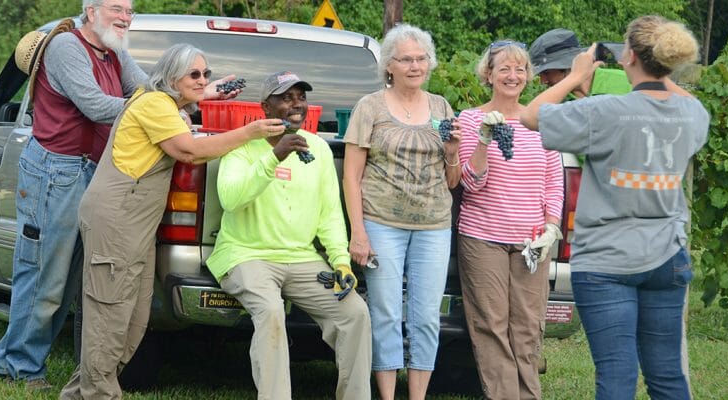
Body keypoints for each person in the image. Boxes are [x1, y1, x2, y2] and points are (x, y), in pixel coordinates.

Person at [0, 0, 241, 391]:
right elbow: (98, 104)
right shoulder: (67, 47)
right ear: (91, 12)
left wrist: (195, 94)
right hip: (57, 171)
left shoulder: (114, 51)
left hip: (97, 171)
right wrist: (165, 112)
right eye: (117, 9)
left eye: (129, 11)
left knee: (88, 281)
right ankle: (17, 365)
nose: (125, 17)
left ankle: (78, 373)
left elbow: (150, 89)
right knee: (47, 277)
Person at [57, 43, 283, 400]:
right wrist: (249, 132)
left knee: (134, 319)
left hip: (138, 226)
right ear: (172, 78)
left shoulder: (168, 104)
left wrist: (205, 92)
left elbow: (182, 107)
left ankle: (79, 393)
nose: (203, 80)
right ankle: (98, 394)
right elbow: (188, 151)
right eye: (194, 74)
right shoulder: (154, 104)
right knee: (110, 314)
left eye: (206, 73)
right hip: (117, 219)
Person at [521, 15, 709, 400]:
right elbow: (690, 102)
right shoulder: (691, 114)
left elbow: (530, 116)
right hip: (666, 256)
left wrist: (576, 76)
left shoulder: (605, 110)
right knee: (667, 375)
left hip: (607, 260)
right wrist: (662, 72)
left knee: (616, 373)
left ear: (630, 57)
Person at [206, 71, 372, 400]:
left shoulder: (318, 149)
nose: (296, 104)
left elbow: (329, 214)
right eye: (286, 98)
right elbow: (231, 199)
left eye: (301, 97)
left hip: (301, 258)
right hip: (246, 254)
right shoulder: (242, 145)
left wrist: (341, 262)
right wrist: (274, 157)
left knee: (355, 313)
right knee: (271, 311)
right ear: (265, 107)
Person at [342, 24, 461, 400]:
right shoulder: (370, 107)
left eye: (421, 58)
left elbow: (453, 180)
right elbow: (351, 176)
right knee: (387, 313)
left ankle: (418, 396)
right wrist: (358, 232)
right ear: (389, 66)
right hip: (382, 224)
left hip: (434, 226)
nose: (415, 66)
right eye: (406, 59)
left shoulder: (441, 107)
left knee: (426, 316)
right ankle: (388, 394)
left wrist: (454, 152)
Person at [455, 40, 563, 399]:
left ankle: (529, 395)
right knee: (492, 325)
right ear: (488, 75)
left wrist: (551, 227)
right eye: (504, 68)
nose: (512, 76)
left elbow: (554, 181)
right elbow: (471, 183)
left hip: (532, 241)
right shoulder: (471, 119)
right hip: (483, 237)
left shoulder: (541, 120)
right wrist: (483, 140)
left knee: (528, 326)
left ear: (528, 76)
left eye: (520, 69)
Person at [529, 28, 630, 96]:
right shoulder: (556, 100)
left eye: (546, 73)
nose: (542, 81)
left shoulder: (625, 82)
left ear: (567, 66)